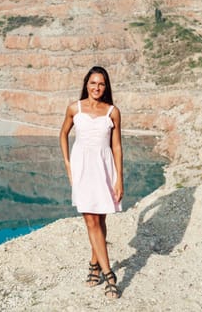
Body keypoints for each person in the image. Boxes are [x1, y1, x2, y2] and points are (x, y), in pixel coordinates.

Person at [59, 66, 123, 299]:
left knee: (101, 218)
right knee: (90, 220)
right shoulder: (74, 108)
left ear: (106, 87)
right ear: (86, 83)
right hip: (82, 168)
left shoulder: (112, 112)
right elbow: (63, 134)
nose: (97, 87)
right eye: (93, 83)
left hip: (104, 168)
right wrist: (68, 164)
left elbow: (116, 146)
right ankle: (109, 275)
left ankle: (94, 265)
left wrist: (119, 179)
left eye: (101, 84)